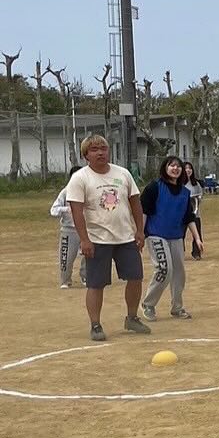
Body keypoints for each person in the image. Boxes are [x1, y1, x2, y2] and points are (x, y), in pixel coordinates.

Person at [64, 134, 150, 341]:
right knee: (96, 283)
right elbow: (76, 212)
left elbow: (135, 203)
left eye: (103, 148)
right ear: (86, 155)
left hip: (126, 237)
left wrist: (140, 230)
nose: (100, 152)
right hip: (97, 239)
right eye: (94, 149)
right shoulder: (80, 178)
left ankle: (132, 318)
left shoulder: (123, 174)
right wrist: (84, 240)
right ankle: (95, 324)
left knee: (135, 277)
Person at [140, 155, 202, 321]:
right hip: (156, 235)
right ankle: (148, 304)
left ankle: (177, 307)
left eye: (178, 166)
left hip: (176, 237)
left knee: (179, 273)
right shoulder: (154, 187)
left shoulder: (184, 193)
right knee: (164, 269)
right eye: (171, 165)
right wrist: (139, 233)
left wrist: (197, 238)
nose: (176, 168)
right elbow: (143, 211)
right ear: (165, 168)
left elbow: (189, 218)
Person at [50, 164, 87, 288]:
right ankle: (65, 280)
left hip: (87, 229)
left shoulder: (88, 190)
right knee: (66, 256)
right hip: (69, 230)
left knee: (89, 254)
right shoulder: (66, 192)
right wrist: (67, 209)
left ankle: (86, 276)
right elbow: (53, 210)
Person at [182, 162, 204, 259]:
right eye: (186, 168)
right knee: (180, 234)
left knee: (197, 233)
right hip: (181, 214)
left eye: (190, 168)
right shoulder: (179, 184)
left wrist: (196, 200)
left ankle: (196, 252)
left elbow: (200, 196)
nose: (188, 170)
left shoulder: (196, 184)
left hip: (195, 214)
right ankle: (179, 253)